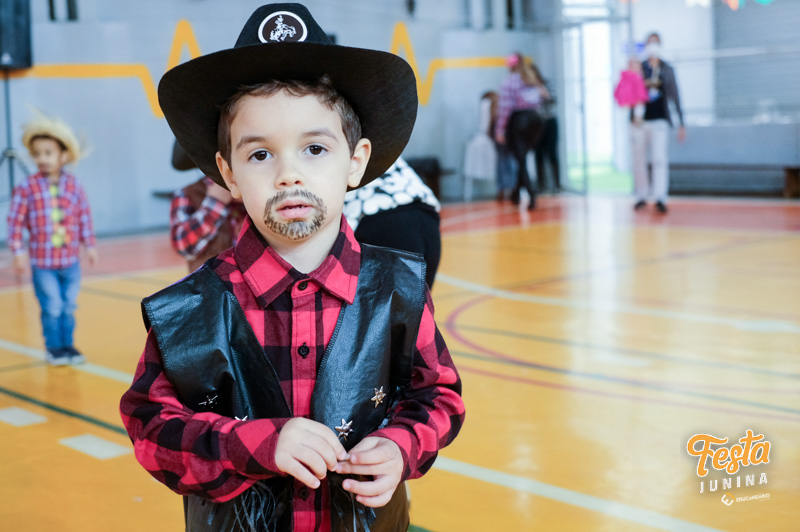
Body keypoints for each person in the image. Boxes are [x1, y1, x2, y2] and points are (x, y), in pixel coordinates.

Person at [119, 4, 465, 531]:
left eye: (315, 148)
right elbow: (150, 427)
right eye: (260, 155)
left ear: (355, 161)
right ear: (228, 174)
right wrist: (251, 444)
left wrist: (401, 446)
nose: (289, 174)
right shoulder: (188, 311)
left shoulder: (398, 288)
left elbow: (437, 396)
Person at [6, 112, 98, 365]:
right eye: (37, 154)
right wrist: (18, 250)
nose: (42, 159)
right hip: (43, 263)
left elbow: (84, 217)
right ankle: (54, 348)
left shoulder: (74, 186)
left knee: (68, 306)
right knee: (52, 306)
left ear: (63, 155)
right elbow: (15, 221)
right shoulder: (27, 187)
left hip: (70, 262)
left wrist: (89, 246)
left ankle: (68, 346)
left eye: (48, 153)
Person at [343, 156, 442, 288]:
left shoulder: (335, 151)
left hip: (382, 223)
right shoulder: (383, 148)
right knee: (418, 299)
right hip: (425, 215)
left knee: (396, 300)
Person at [169, 140, 247, 272]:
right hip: (211, 282)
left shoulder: (248, 190)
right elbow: (183, 246)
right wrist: (215, 203)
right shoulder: (187, 194)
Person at [632, 32, 686, 214]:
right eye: (649, 43)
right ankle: (641, 195)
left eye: (655, 43)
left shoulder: (666, 69)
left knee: (659, 160)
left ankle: (660, 197)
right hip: (640, 122)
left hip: (660, 120)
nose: (652, 46)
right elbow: (629, 90)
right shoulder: (639, 67)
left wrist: (681, 122)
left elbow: (675, 95)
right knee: (639, 160)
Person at [495, 52, 548, 210]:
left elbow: (506, 108)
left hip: (519, 121)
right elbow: (543, 96)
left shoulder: (509, 81)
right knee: (522, 158)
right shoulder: (531, 78)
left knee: (521, 159)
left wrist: (500, 129)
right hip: (536, 120)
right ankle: (515, 193)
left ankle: (531, 193)